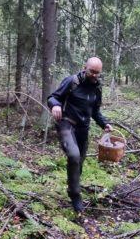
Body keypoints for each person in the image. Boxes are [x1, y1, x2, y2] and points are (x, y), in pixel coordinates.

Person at [47, 57, 112, 213]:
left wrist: (104, 123)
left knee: (79, 163)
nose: (94, 75)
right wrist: (55, 105)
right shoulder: (72, 81)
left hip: (84, 128)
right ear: (85, 68)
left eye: (97, 73)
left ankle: (72, 186)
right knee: (74, 155)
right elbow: (53, 97)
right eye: (92, 71)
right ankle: (75, 195)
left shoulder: (97, 88)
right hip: (66, 124)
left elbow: (95, 111)